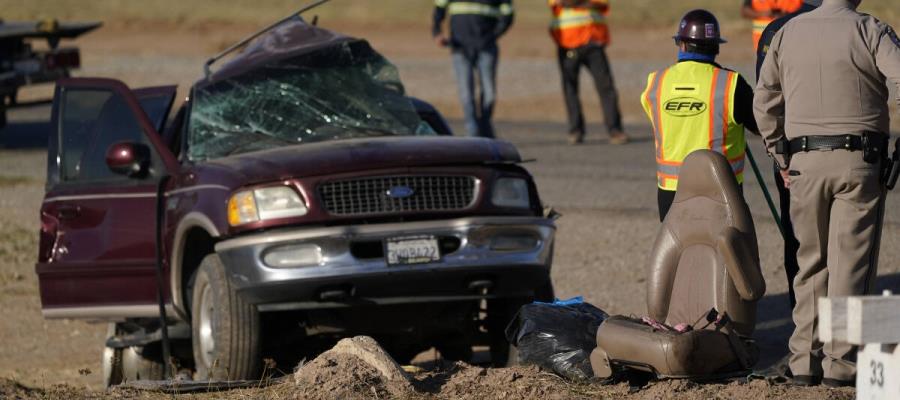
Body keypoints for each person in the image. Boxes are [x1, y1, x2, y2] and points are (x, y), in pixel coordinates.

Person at [754, 0, 900, 387]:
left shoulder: (786, 32)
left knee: (810, 264)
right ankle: (842, 365)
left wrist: (779, 154)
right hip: (859, 162)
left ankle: (804, 361)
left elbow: (764, 100)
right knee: (851, 264)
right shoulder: (871, 30)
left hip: (803, 162)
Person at [641, 9, 759, 221]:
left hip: (671, 193)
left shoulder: (655, 83)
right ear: (716, 47)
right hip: (722, 190)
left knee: (680, 251)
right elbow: (762, 125)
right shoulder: (732, 84)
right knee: (727, 251)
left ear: (682, 44)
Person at [754, 0, 821, 311]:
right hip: (851, 156)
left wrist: (779, 156)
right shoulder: (862, 26)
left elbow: (766, 101)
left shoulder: (776, 29)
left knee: (798, 241)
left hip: (793, 156)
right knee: (849, 248)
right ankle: (847, 342)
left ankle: (803, 323)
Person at [548, 0, 627, 145]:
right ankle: (575, 130)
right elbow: (559, 2)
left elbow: (601, 3)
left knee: (606, 87)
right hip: (567, 42)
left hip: (593, 42)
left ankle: (615, 129)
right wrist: (584, 3)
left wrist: (574, 3)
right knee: (570, 88)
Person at [433, 0, 514, 138]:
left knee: (489, 93)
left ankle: (485, 126)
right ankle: (473, 131)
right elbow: (439, 9)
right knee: (466, 93)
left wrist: (493, 35)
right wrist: (437, 32)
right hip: (460, 47)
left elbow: (508, 15)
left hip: (486, 47)